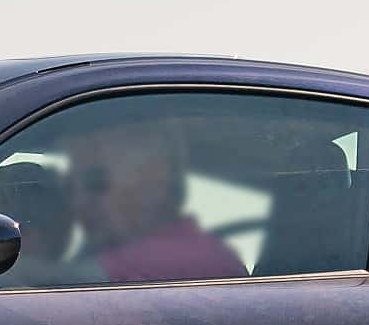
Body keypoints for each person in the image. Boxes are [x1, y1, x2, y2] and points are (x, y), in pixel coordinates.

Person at [66, 112, 243, 284]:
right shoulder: (105, 254)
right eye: (70, 187)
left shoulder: (196, 260)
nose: (78, 202)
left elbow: (63, 281)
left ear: (154, 181)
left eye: (96, 182)